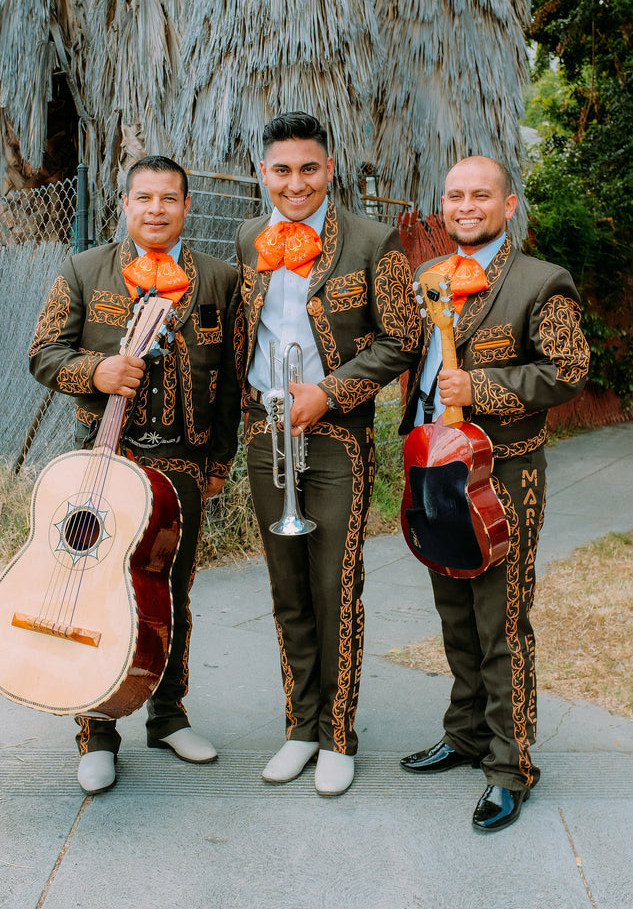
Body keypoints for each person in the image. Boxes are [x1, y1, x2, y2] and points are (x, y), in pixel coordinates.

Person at [29, 155, 243, 794]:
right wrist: (94, 373)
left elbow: (231, 378)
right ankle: (96, 729)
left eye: (169, 199)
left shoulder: (220, 280)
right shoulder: (84, 269)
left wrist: (220, 461)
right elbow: (43, 353)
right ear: (124, 204)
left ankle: (168, 714)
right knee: (95, 588)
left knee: (170, 591)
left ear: (185, 206)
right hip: (102, 460)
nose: (156, 209)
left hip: (181, 463)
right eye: (144, 197)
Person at [398, 155, 589, 831]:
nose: (466, 205)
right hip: (433, 465)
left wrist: (480, 389)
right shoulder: (427, 278)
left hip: (502, 471)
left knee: (500, 621)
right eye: (455, 196)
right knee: (453, 609)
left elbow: (567, 369)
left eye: (481, 195)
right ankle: (466, 734)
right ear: (442, 207)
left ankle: (510, 767)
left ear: (507, 206)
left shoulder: (541, 282)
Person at [236, 111, 421, 796]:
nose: (294, 183)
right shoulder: (247, 235)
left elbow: (400, 338)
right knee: (286, 590)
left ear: (329, 169)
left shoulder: (373, 240)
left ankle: (339, 733)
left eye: (308, 169)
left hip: (336, 431)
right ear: (264, 173)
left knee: (333, 587)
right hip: (265, 431)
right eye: (281, 170)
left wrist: (331, 392)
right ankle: (299, 727)